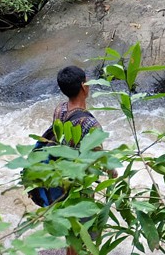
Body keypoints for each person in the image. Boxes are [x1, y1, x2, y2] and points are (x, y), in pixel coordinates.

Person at [54, 65, 116, 255]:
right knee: (85, 233)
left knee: (71, 231)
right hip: (82, 184)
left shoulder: (59, 110)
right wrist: (114, 174)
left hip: (63, 177)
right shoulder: (90, 123)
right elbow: (101, 158)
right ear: (83, 86)